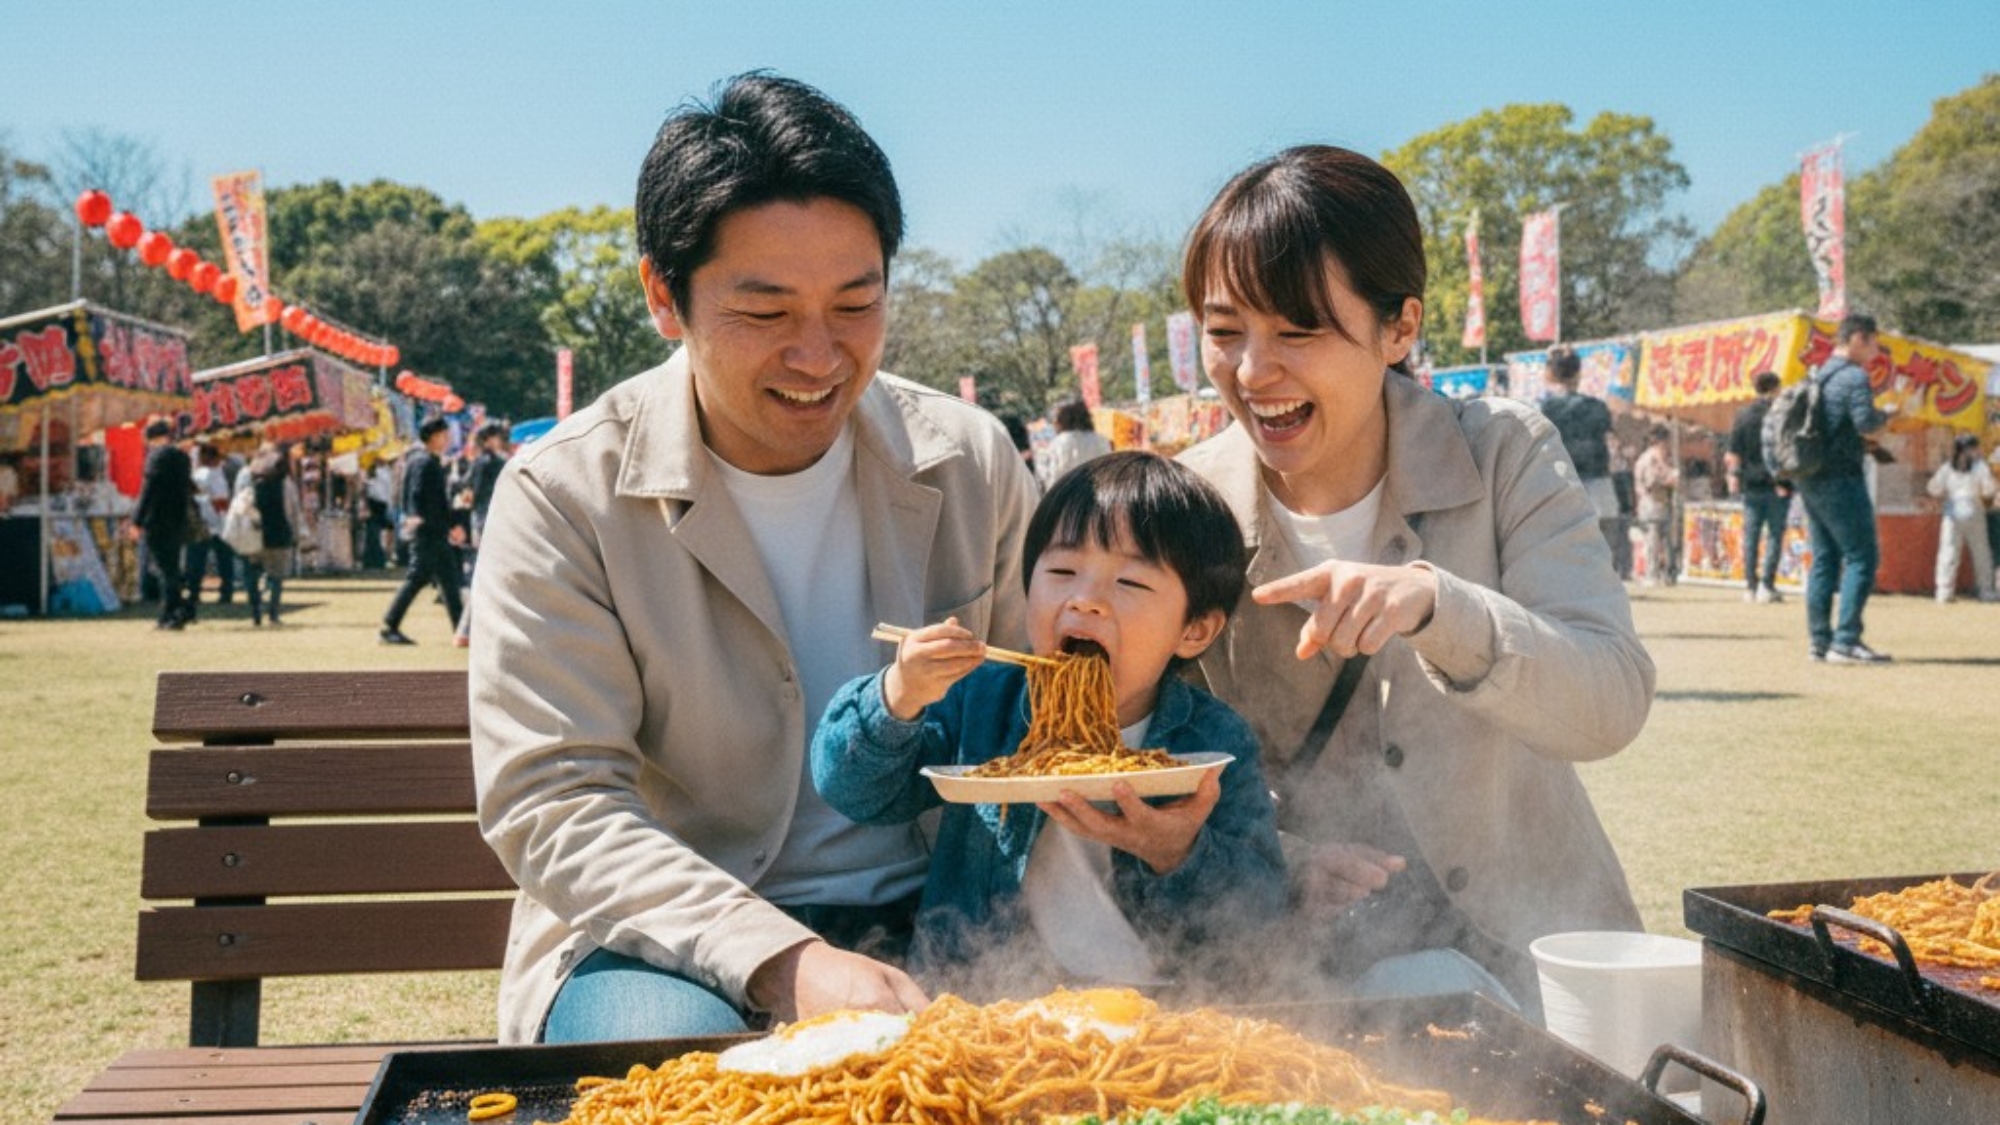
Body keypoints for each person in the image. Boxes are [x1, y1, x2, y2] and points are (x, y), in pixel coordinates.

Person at [469, 72, 1037, 1045]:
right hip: (659, 942)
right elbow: (554, 801)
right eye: (765, 313)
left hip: (943, 914)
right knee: (687, 1081)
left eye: (854, 304)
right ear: (663, 296)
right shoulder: (565, 492)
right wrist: (784, 961)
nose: (818, 356)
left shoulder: (970, 460)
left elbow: (1057, 710)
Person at [1175, 145, 1654, 1018]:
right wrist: (1277, 850)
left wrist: (1443, 607)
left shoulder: (1505, 450)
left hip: (1537, 954)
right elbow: (1155, 755)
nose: (1251, 372)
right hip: (1305, 979)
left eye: (1297, 329)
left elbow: (1610, 699)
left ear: (1399, 329)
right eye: (1223, 331)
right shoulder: (1186, 503)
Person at [812, 451, 1284, 996]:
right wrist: (899, 695)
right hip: (981, 1002)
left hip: (1155, 1013)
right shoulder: (979, 702)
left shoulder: (1212, 743)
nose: (1086, 601)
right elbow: (854, 791)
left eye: (1129, 584)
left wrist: (1177, 852)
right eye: (1061, 572)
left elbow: (1256, 917)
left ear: (1195, 631)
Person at [1795, 314, 1895, 663]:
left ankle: (1819, 640)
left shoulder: (1819, 374)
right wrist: (1888, 417)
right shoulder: (1853, 376)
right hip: (1841, 477)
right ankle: (1846, 640)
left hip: (1810, 476)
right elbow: (1865, 423)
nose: (1875, 351)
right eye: (1873, 342)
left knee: (1824, 558)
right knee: (1861, 556)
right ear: (1856, 338)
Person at [379, 418, 463, 644]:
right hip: (427, 531)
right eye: (444, 435)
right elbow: (415, 493)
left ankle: (462, 630)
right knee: (420, 578)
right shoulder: (423, 462)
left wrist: (450, 525)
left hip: (435, 530)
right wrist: (414, 516)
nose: (448, 439)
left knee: (449, 581)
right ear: (433, 436)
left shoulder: (428, 461)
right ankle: (389, 625)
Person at [1539, 346, 1621, 567]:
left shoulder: (1546, 408)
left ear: (1551, 373)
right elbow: (1611, 440)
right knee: (1603, 538)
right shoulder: (1597, 407)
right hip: (1598, 478)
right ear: (1578, 373)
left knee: (1563, 541)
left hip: (1561, 480)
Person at [1725, 372, 1789, 603]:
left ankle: (1750, 586)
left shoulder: (1743, 414)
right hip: (1777, 483)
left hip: (1750, 483)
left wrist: (1734, 476)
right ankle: (1767, 585)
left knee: (1751, 536)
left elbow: (1734, 451)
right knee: (1774, 535)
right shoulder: (1780, 413)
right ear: (1774, 388)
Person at [129, 419, 196, 630]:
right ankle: (179, 610)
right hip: (177, 518)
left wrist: (136, 520)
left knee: (163, 569)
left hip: (157, 519)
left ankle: (171, 613)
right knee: (172, 567)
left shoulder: (155, 458)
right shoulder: (182, 458)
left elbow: (148, 491)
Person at [450, 421, 511, 648]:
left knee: (484, 575)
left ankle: (467, 630)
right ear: (488, 440)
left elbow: (466, 489)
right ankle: (465, 630)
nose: (499, 440)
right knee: (487, 577)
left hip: (479, 521)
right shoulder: (496, 462)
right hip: (493, 521)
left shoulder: (480, 462)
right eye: (496, 436)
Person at [234, 444, 303, 627]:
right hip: (279, 532)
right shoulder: (285, 481)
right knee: (276, 576)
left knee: (251, 574)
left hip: (253, 532)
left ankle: (255, 611)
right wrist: (296, 534)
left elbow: (238, 505)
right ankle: (273, 613)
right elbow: (293, 510)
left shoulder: (245, 475)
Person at [1927, 433, 1997, 603]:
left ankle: (1944, 591)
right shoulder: (1979, 466)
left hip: (1952, 510)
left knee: (1949, 551)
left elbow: (1933, 488)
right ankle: (1986, 591)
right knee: (1980, 552)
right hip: (1974, 508)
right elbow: (1988, 489)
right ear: (1972, 448)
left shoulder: (1947, 467)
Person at [183, 443, 237, 612]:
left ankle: (193, 591)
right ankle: (226, 591)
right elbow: (221, 500)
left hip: (199, 522)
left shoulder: (197, 474)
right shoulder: (215, 474)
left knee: (196, 559)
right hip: (218, 522)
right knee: (224, 560)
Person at [1036, 399, 1113, 489]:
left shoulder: (1059, 443)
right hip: (1097, 494)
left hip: (1067, 496)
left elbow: (1054, 477)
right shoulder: (1101, 440)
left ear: (1062, 419)